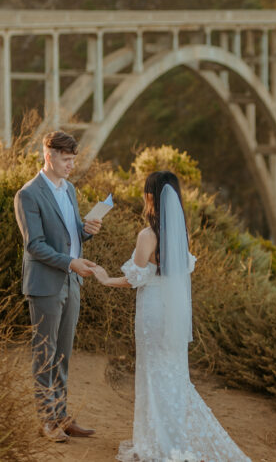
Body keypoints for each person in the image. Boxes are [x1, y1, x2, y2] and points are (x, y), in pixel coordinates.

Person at [92, 171, 250, 462]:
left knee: (153, 374)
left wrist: (104, 278)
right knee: (173, 376)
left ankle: (156, 442)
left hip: (152, 312)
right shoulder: (180, 233)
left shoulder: (147, 235)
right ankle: (170, 438)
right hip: (173, 315)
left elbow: (135, 278)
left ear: (150, 196)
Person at [14, 130, 102, 443]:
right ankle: (47, 420)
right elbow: (35, 245)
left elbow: (69, 234)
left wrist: (87, 230)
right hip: (46, 284)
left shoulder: (70, 190)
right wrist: (70, 262)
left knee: (63, 353)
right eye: (66, 160)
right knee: (45, 353)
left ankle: (62, 416)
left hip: (72, 280)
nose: (71, 166)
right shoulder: (28, 194)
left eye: (73, 160)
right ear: (49, 156)